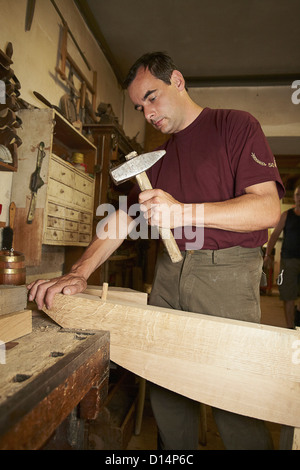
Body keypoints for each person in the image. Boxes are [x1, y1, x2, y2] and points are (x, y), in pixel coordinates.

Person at [28, 52, 284, 449]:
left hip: (227, 272)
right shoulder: (157, 160)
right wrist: (79, 271)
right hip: (168, 272)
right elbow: (122, 218)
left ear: (177, 81)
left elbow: (266, 208)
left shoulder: (234, 125)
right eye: (138, 106)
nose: (146, 112)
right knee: (167, 387)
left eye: (152, 97)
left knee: (234, 393)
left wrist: (182, 212)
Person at [264, 185, 300, 328]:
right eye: (298, 195)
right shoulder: (286, 215)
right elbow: (274, 235)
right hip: (288, 261)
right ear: (294, 197)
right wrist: (267, 255)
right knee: (288, 295)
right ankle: (290, 328)